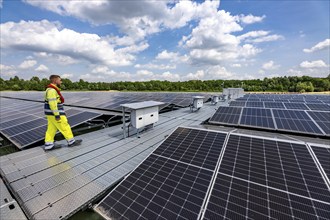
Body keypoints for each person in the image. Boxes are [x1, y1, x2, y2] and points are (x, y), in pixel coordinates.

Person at [44, 75, 82, 150]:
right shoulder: (52, 90)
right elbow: (53, 104)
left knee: (51, 129)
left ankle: (49, 145)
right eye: (60, 80)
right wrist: (57, 115)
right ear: (55, 81)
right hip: (54, 114)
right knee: (65, 126)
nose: (61, 81)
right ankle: (71, 142)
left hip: (50, 114)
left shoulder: (50, 89)